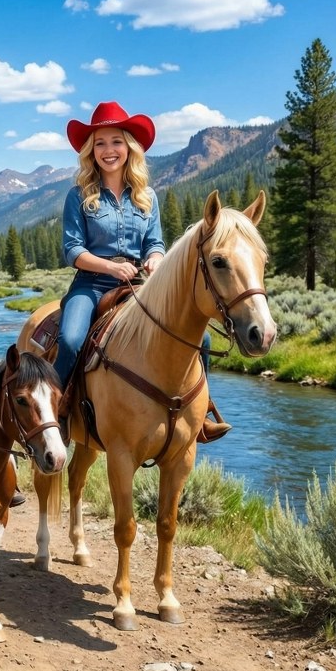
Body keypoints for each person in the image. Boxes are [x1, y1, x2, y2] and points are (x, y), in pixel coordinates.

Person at [57, 101, 230, 441]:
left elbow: (155, 241)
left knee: (203, 337)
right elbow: (72, 250)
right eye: (101, 143)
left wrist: (154, 257)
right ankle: (58, 412)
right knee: (71, 338)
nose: (109, 150)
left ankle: (201, 413)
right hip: (91, 284)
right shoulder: (79, 195)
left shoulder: (146, 196)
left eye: (116, 142)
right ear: (91, 151)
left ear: (129, 147)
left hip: (140, 284)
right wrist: (109, 266)